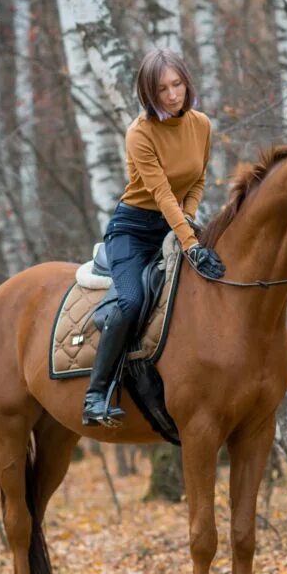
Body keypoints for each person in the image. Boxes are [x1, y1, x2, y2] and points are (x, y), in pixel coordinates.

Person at [82, 49, 226, 427]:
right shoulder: (139, 133)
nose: (173, 94)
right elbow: (161, 194)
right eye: (162, 89)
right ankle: (96, 394)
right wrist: (191, 244)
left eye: (177, 84)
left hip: (176, 223)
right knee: (131, 301)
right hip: (133, 230)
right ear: (149, 93)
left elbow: (197, 180)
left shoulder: (202, 124)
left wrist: (189, 223)